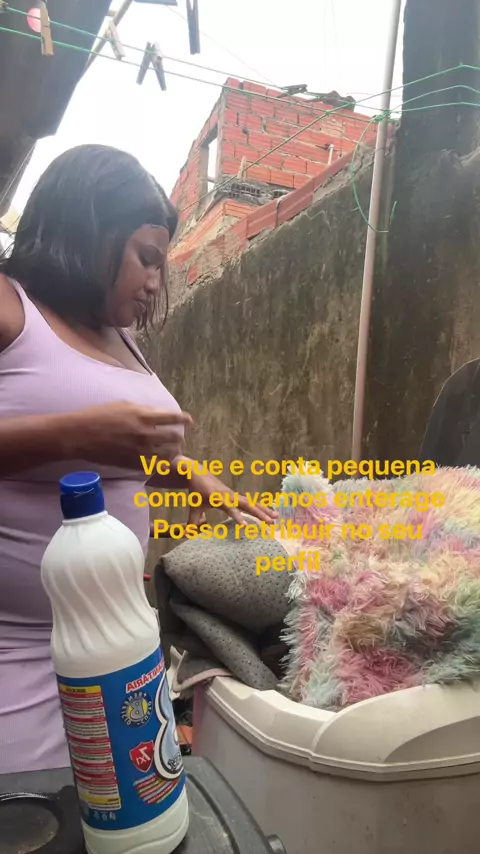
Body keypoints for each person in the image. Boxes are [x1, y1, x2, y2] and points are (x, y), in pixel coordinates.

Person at [0, 144, 276, 774]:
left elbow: (126, 449)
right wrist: (72, 436)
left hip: (122, 653)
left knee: (138, 812)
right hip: (18, 658)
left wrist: (200, 480)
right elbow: (89, 438)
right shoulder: (10, 307)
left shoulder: (119, 337)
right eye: (145, 258)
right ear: (88, 232)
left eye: (162, 264)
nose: (156, 281)